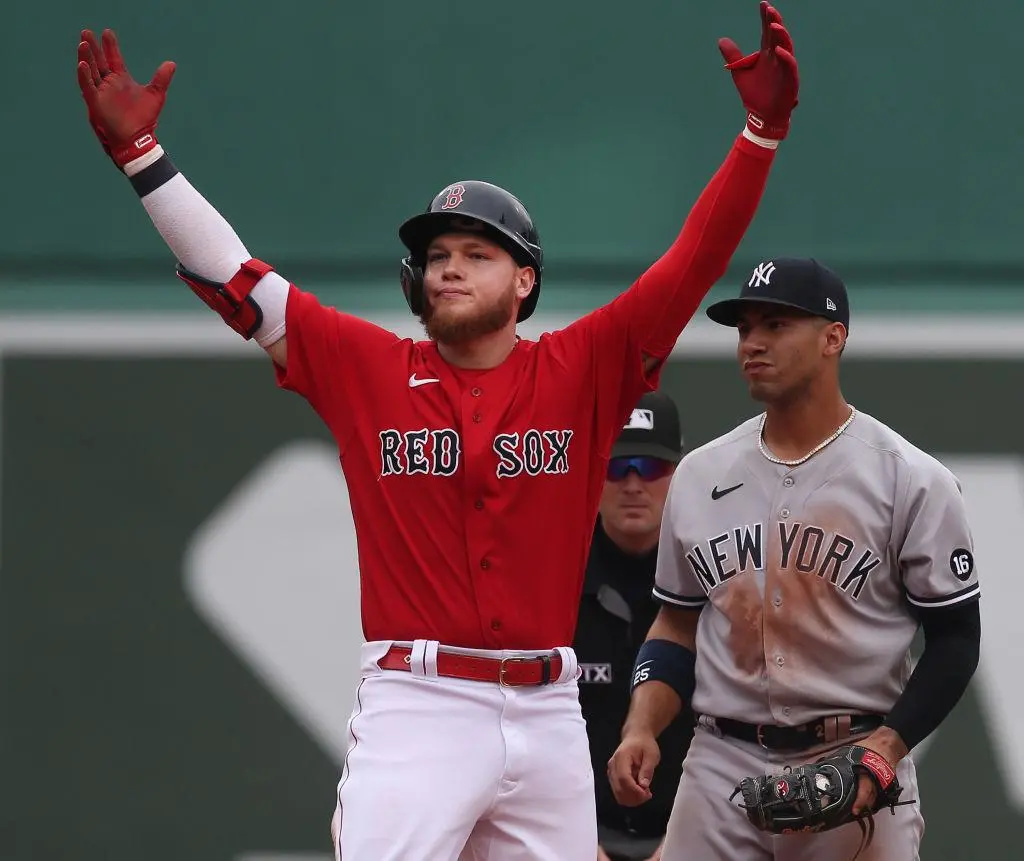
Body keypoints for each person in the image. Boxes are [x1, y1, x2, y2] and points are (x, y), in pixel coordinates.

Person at [74, 6, 799, 859]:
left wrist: (761, 131)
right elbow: (236, 279)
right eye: (439, 252)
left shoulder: (586, 365)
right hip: (419, 706)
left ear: (524, 280)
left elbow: (695, 259)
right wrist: (141, 159)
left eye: (478, 252)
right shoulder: (368, 367)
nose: (450, 264)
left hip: (548, 707)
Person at [608, 257, 982, 860]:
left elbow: (957, 639)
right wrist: (642, 726)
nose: (752, 343)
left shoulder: (908, 479)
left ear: (834, 337)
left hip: (854, 760)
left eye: (776, 325)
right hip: (719, 764)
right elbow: (675, 623)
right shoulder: (701, 474)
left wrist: (886, 749)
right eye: (745, 327)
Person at [574, 391, 694, 861]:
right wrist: (570, 838)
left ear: (678, 475)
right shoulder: (550, 585)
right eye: (615, 466)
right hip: (572, 834)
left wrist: (694, 837)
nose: (632, 483)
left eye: (650, 467)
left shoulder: (712, 586)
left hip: (691, 833)